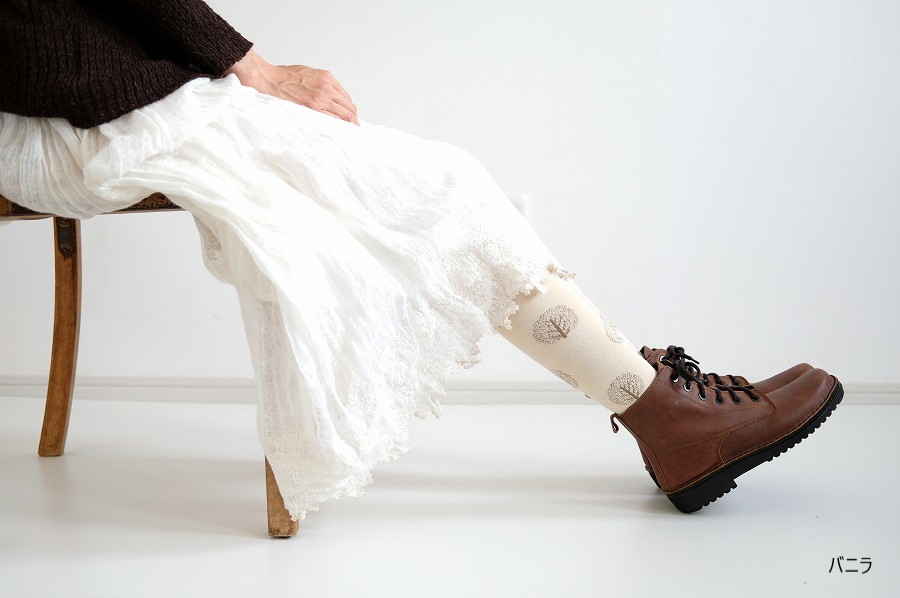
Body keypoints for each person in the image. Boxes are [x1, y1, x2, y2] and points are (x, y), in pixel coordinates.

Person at [0, 0, 842, 521]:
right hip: (64, 115)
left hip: (94, 96)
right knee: (436, 186)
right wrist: (258, 70)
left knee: (435, 185)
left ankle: (662, 411)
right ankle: (666, 416)